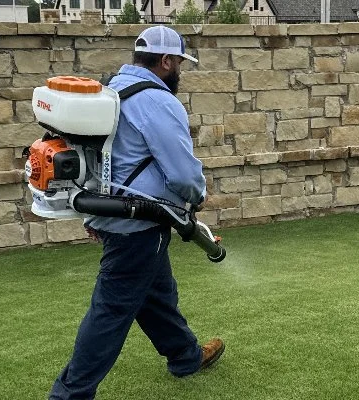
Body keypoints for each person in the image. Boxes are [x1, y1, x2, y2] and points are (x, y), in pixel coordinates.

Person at [48, 26, 225, 400]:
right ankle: (68, 395)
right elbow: (181, 172)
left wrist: (92, 217)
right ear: (165, 61)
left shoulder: (109, 90)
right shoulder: (158, 102)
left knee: (156, 293)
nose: (179, 70)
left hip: (112, 213)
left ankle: (185, 356)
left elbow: (93, 161)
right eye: (178, 62)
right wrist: (198, 196)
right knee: (110, 311)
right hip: (140, 222)